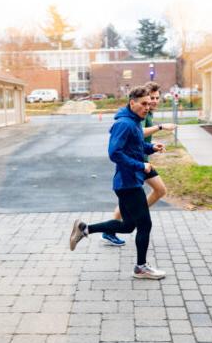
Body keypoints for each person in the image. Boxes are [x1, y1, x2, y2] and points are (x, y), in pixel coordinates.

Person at [69, 86, 166, 280]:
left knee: (128, 226)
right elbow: (115, 153)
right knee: (144, 225)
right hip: (128, 183)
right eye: (143, 103)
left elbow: (135, 146)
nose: (147, 107)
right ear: (132, 103)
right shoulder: (125, 124)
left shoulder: (134, 122)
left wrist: (151, 147)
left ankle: (85, 229)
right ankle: (141, 267)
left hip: (128, 182)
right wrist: (140, 165)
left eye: (149, 103)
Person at [101, 81, 176, 246]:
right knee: (147, 195)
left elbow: (137, 140)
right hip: (137, 163)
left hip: (141, 159)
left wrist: (151, 148)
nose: (154, 102)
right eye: (150, 100)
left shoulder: (145, 113)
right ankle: (118, 225)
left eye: (156, 99)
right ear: (134, 103)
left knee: (154, 192)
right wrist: (160, 127)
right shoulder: (135, 117)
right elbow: (135, 135)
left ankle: (119, 224)